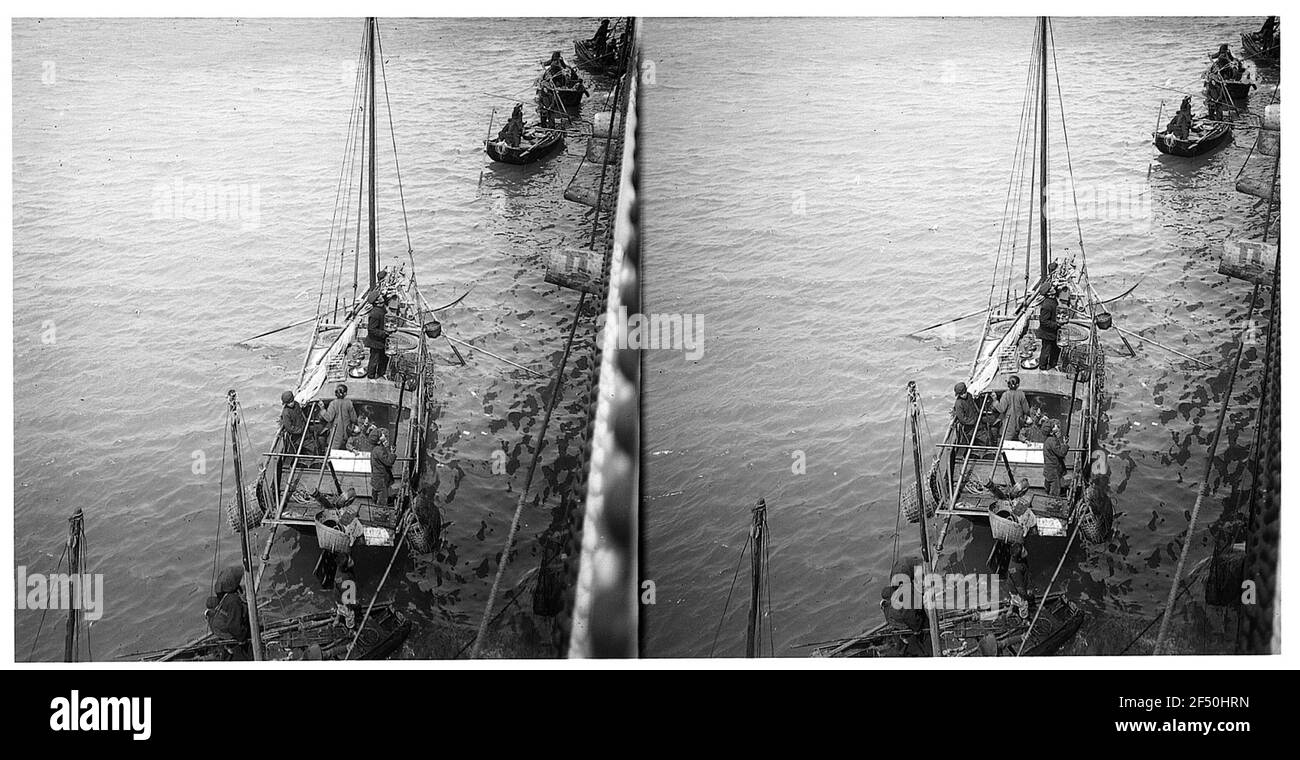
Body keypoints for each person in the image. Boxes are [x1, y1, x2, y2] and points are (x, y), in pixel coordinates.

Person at [205, 566, 251, 655]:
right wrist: (243, 639)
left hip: (223, 627)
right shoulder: (233, 601)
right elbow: (234, 626)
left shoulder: (224, 594)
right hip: (232, 633)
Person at [365, 294, 396, 379]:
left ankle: (381, 373)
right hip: (375, 341)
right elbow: (371, 329)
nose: (381, 296)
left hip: (382, 340)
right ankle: (371, 376)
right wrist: (384, 333)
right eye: (379, 296)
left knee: (384, 358)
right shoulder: (375, 313)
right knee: (374, 360)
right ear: (377, 301)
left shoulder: (382, 308)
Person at [320, 384, 357, 452]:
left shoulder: (333, 404)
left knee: (333, 453)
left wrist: (322, 409)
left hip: (335, 435)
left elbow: (328, 418)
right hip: (347, 434)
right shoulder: (349, 403)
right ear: (345, 393)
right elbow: (354, 419)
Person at [993, 375, 1030, 442]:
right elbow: (1026, 410)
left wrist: (995, 400)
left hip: (1008, 425)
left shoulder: (1005, 395)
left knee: (1006, 443)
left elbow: (1001, 409)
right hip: (1019, 424)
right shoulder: (1021, 394)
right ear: (1018, 385)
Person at [369, 428, 397, 509]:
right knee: (382, 499)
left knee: (376, 494)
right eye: (381, 435)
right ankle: (380, 512)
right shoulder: (379, 450)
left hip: (376, 478)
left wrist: (386, 447)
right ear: (378, 441)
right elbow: (389, 462)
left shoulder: (376, 449)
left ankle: (375, 506)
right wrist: (392, 453)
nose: (383, 435)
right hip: (381, 479)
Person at [1042, 419, 1069, 497]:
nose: (1057, 426)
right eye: (1054, 426)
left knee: (1048, 483)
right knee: (1055, 489)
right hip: (1053, 469)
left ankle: (1047, 494)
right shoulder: (1052, 441)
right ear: (1051, 432)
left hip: (1048, 468)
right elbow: (1061, 453)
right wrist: (1065, 444)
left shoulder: (1048, 440)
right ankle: (1052, 501)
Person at [1037, 287, 1061, 370]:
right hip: (1047, 333)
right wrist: (1056, 324)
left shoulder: (1053, 300)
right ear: (1049, 293)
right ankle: (1042, 367)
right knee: (1046, 351)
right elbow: (1043, 321)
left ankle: (1053, 364)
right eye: (1051, 288)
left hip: (1054, 331)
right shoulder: (1046, 305)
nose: (1053, 288)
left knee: (1056, 349)